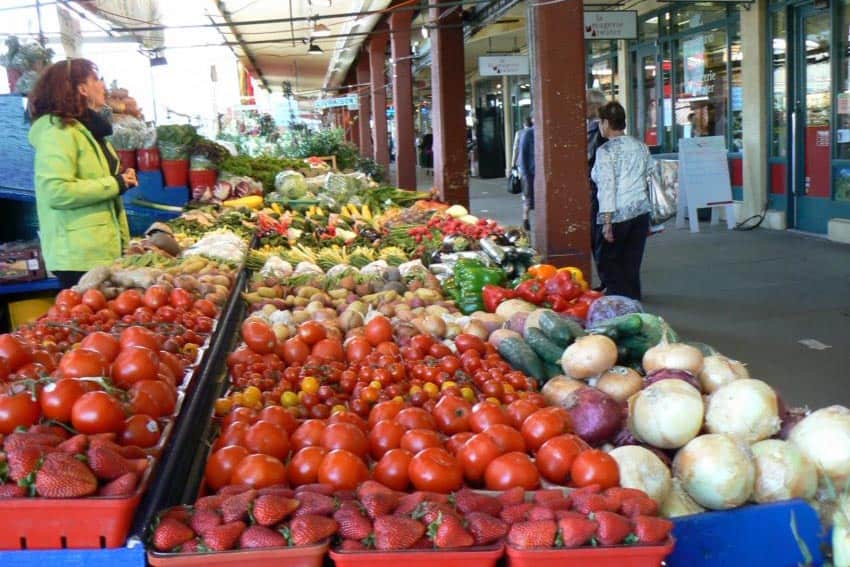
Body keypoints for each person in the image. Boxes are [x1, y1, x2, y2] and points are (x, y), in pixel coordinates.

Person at [28, 58, 137, 290]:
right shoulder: (58, 132)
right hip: (78, 258)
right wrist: (114, 183)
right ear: (81, 88)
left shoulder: (88, 130)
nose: (103, 86)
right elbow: (55, 191)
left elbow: (95, 179)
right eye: (97, 79)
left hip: (99, 252)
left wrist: (121, 179)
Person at [591, 101, 652, 300]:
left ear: (607, 123)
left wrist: (607, 222)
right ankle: (634, 302)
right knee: (631, 264)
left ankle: (620, 304)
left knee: (608, 262)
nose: (600, 126)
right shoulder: (641, 146)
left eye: (600, 122)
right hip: (641, 212)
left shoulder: (605, 151)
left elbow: (607, 187)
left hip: (618, 214)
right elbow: (649, 174)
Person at [586, 88, 608, 290]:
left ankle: (607, 282)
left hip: (599, 192)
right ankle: (609, 281)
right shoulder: (601, 127)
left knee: (599, 238)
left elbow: (590, 158)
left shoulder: (597, 130)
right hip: (601, 191)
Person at [516, 117, 535, 230]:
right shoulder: (528, 133)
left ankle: (527, 219)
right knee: (528, 197)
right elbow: (522, 153)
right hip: (530, 171)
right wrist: (524, 172)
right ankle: (525, 219)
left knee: (532, 198)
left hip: (534, 170)